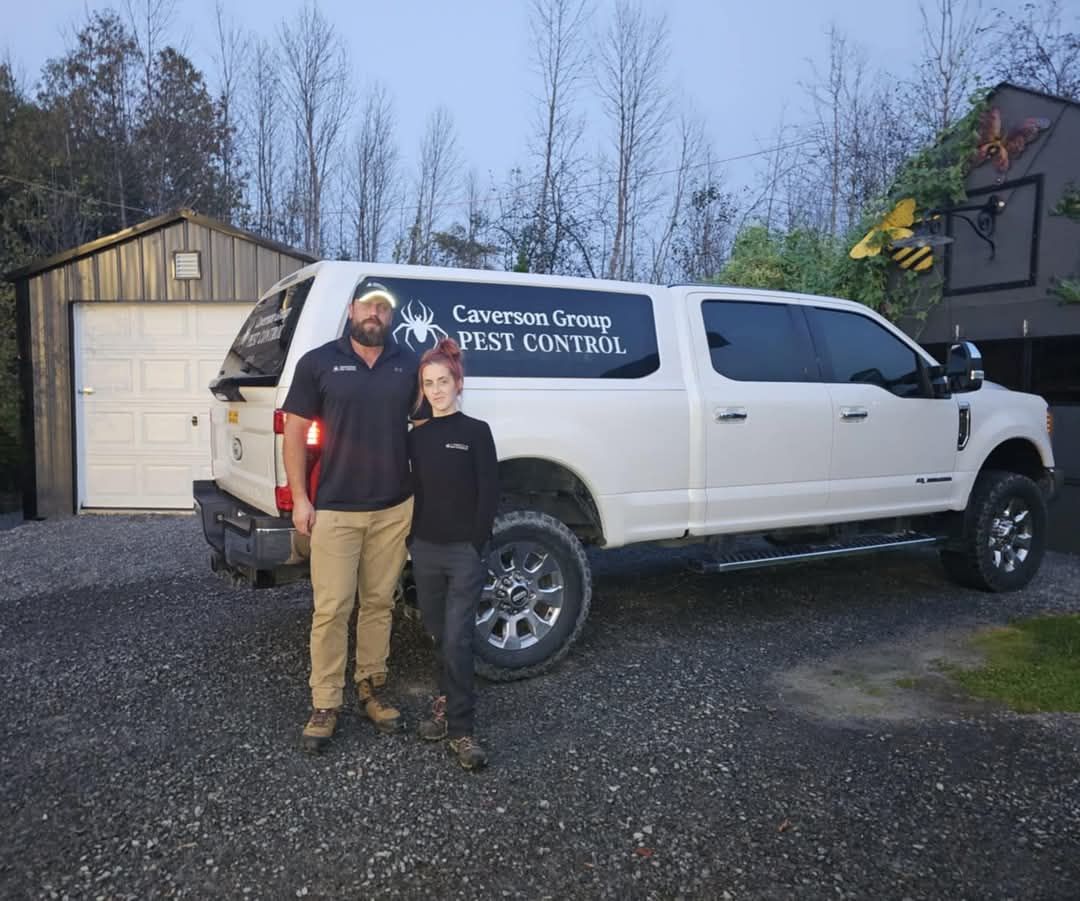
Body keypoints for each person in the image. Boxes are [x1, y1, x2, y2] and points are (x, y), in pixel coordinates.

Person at [282, 279, 420, 754]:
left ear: (391, 315)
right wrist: (301, 499)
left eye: (383, 309)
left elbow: (424, 427)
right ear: (351, 308)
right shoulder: (318, 362)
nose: (375, 315)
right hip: (335, 509)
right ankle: (325, 702)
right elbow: (295, 435)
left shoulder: (409, 365)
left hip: (393, 508)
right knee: (332, 607)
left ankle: (371, 688)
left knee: (379, 602)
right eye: (368, 306)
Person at [408, 338, 498, 770]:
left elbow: (489, 493)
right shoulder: (418, 438)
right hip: (425, 551)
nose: (437, 390)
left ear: (458, 383)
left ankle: (463, 731)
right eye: (429, 384)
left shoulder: (476, 432)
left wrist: (475, 544)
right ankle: (445, 706)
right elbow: (415, 493)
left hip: (463, 553)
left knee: (459, 638)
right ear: (422, 389)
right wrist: (411, 542)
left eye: (444, 381)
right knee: (437, 633)